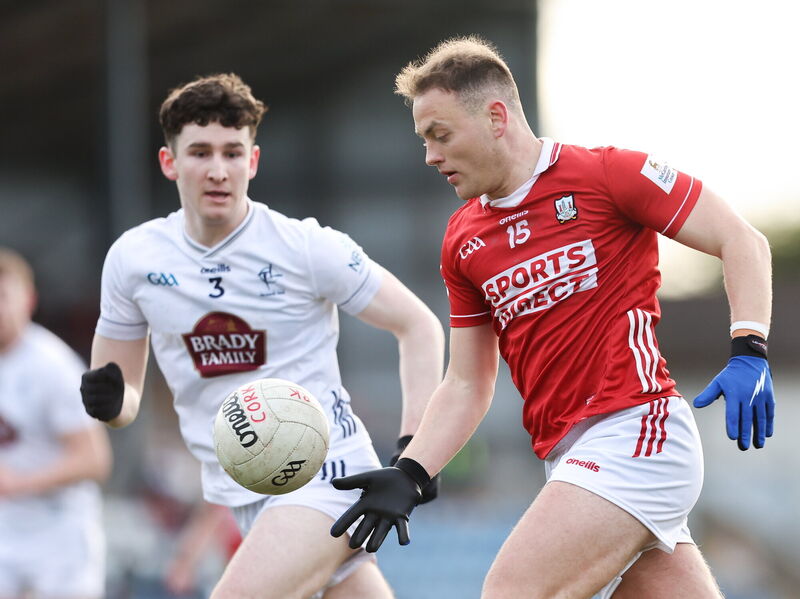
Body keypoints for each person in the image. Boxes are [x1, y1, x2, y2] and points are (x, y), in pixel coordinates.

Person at [330, 36, 775, 599]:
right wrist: (412, 470)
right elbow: (467, 382)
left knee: (511, 591)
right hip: (570, 455)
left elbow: (742, 239)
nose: (430, 156)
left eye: (440, 135)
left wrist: (749, 348)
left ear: (496, 117)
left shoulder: (608, 174)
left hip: (636, 434)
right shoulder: (463, 240)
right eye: (424, 140)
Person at [79, 73, 445, 599]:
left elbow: (419, 325)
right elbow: (125, 398)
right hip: (243, 490)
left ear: (252, 161)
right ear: (169, 162)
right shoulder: (133, 259)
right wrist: (111, 403)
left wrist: (415, 454)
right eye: (200, 152)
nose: (218, 170)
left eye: (232, 153)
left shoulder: (306, 247)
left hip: (328, 476)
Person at [0, 247, 112, 599]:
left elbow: (95, 460)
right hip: (7, 527)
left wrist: (19, 482)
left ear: (28, 301)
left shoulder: (52, 365)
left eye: (2, 297)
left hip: (57, 531)